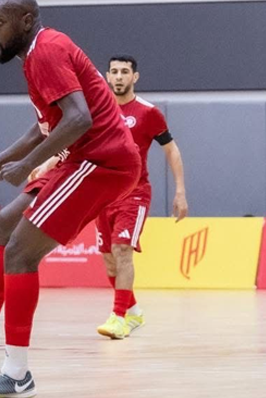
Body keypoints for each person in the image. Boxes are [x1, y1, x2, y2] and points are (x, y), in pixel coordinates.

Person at [0, 0, 140, 398]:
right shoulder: (38, 55)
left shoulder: (47, 51)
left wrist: (27, 165)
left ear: (25, 20)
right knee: (4, 224)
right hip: (83, 158)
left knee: (21, 253)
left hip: (101, 162)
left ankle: (17, 374)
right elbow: (43, 128)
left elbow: (79, 120)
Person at [95, 55, 187, 338]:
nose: (119, 76)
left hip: (134, 193)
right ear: (107, 76)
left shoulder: (148, 113)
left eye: (125, 72)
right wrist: (49, 165)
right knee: (109, 258)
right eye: (114, 71)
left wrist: (180, 190)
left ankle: (118, 317)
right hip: (102, 195)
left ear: (134, 77)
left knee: (122, 250)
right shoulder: (97, 109)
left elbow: (171, 149)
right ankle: (134, 312)